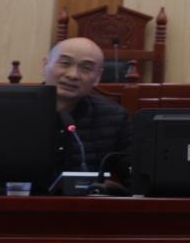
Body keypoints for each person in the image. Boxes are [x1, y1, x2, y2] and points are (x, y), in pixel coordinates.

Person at [42, 37, 133, 188]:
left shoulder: (115, 118)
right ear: (45, 65)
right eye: (65, 63)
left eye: (85, 68)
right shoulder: (14, 110)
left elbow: (135, 177)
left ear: (97, 77)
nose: (73, 75)